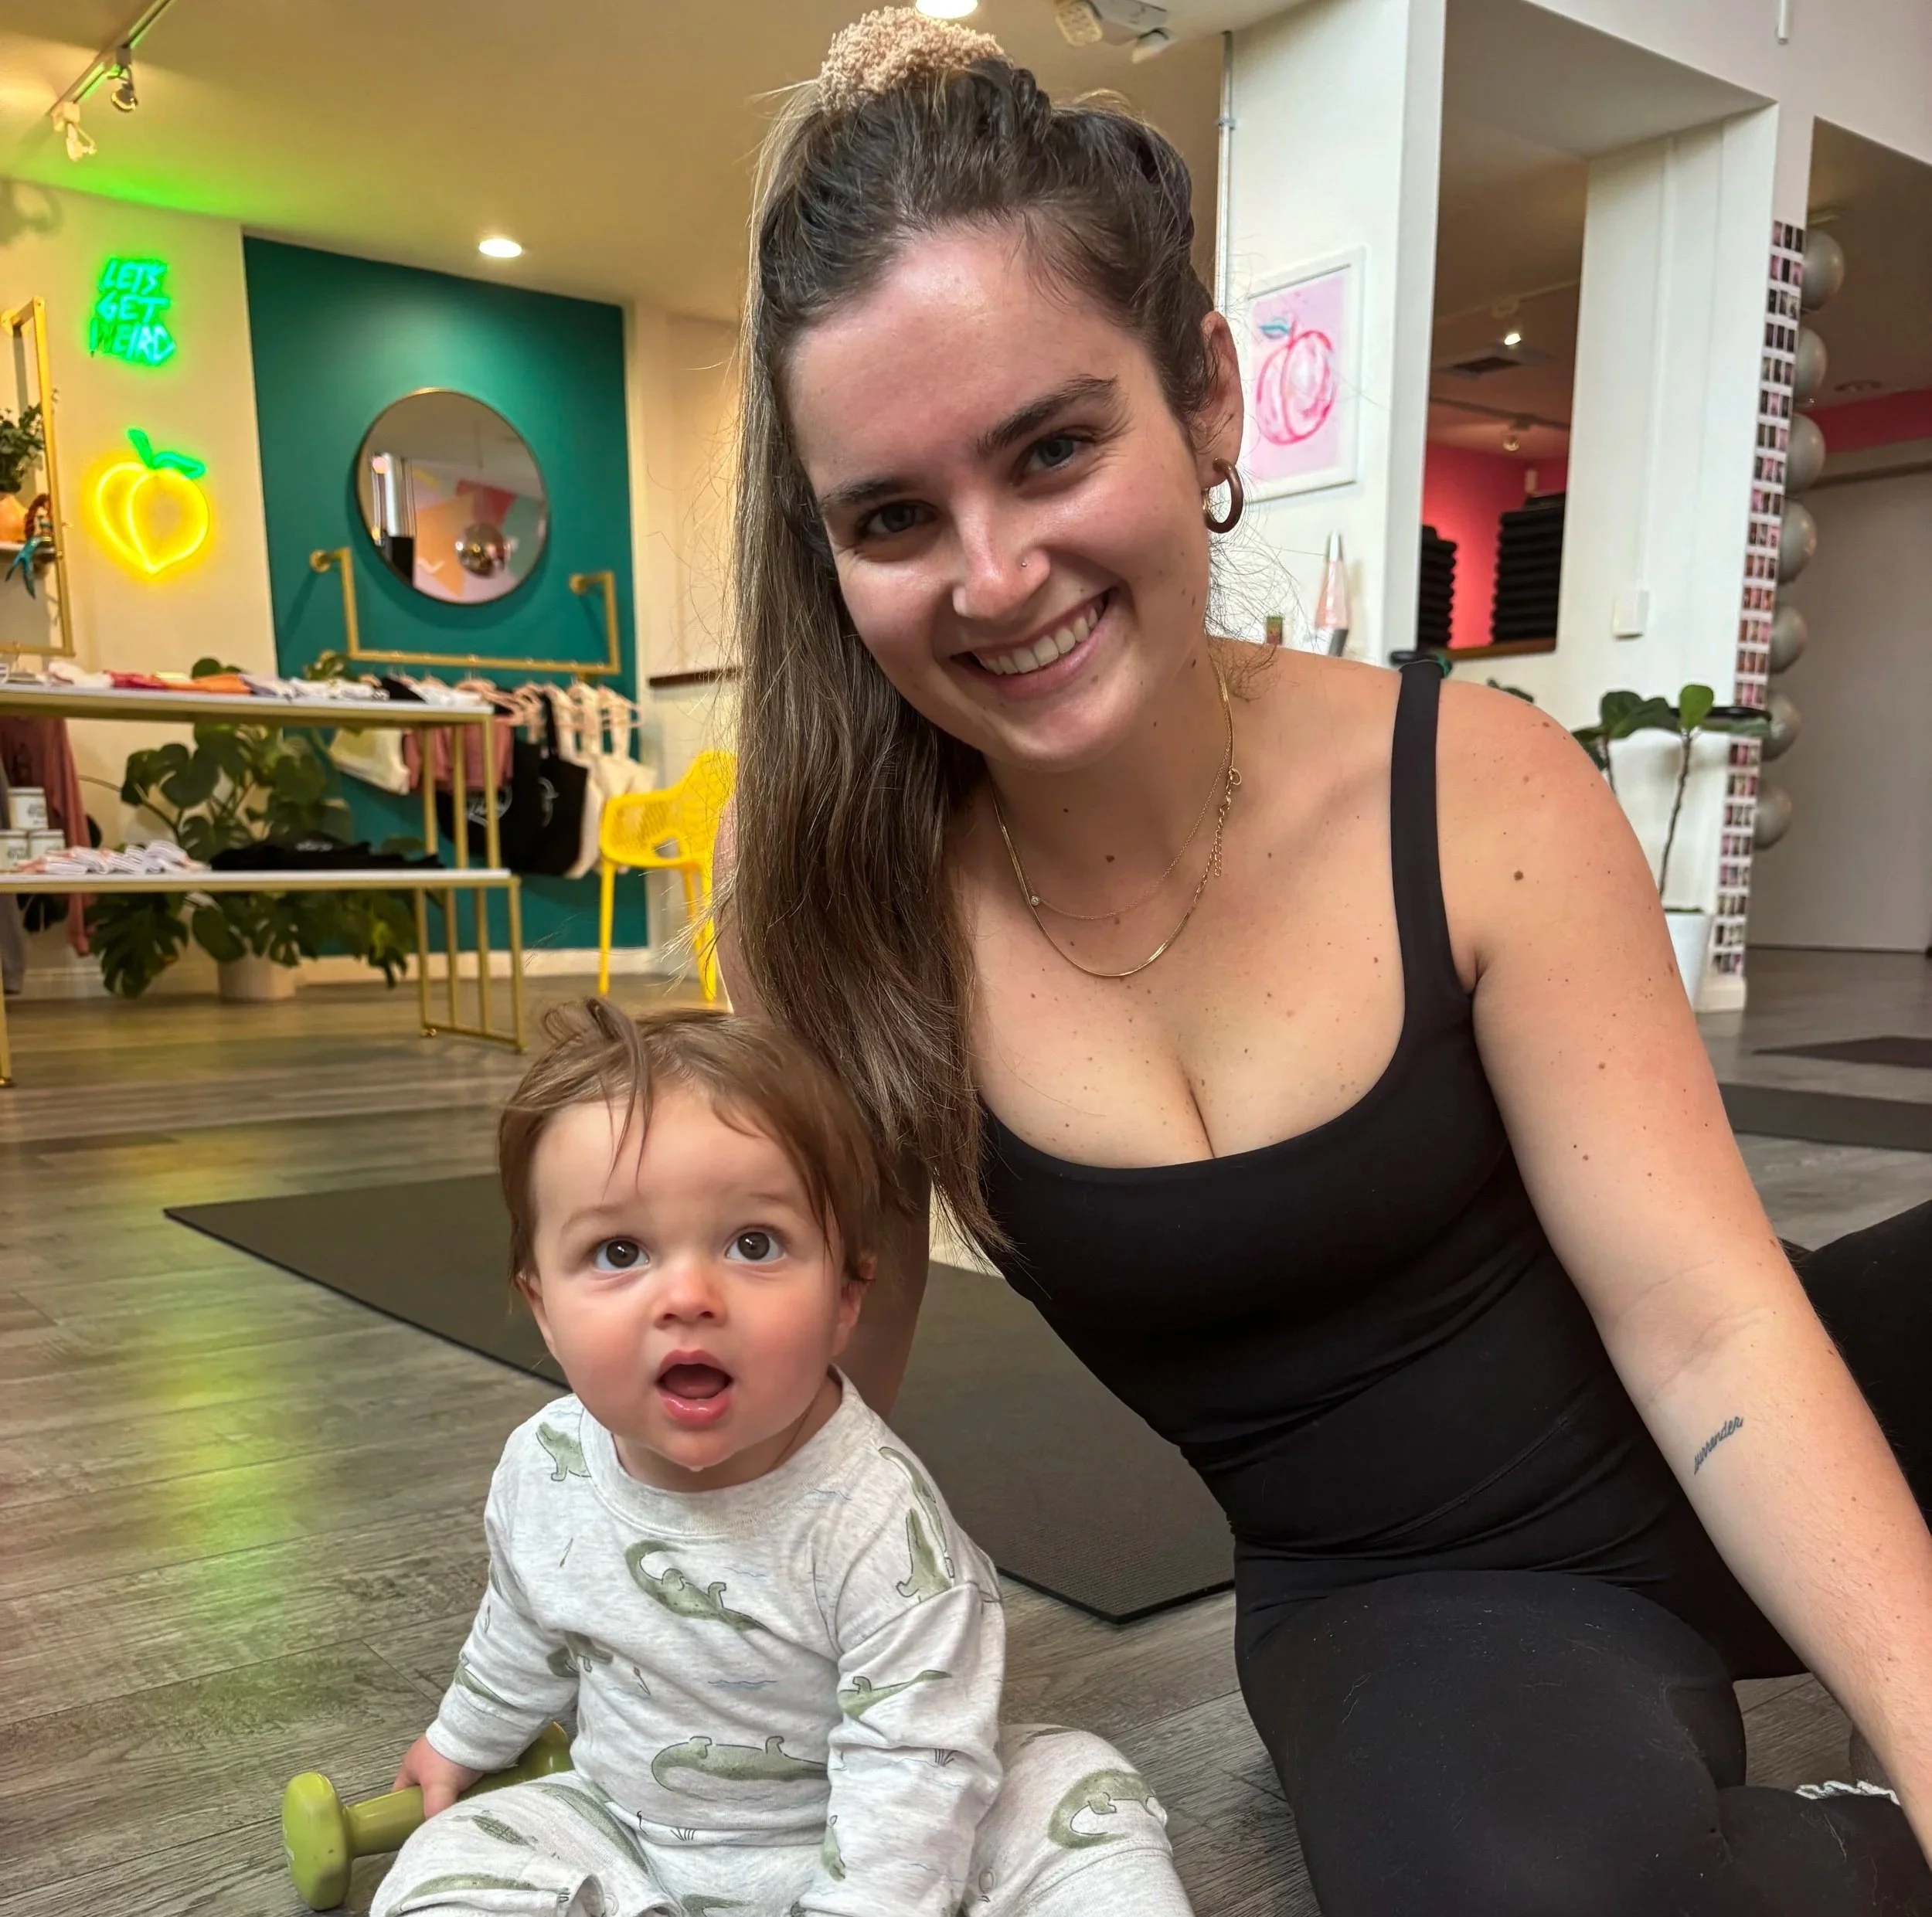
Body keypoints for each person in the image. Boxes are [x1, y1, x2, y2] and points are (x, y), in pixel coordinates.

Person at [717, 11, 1932, 1913]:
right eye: (892, 516)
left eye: (1051, 448)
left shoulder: (1480, 783)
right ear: (827, 549)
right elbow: (816, 1416)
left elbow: (1707, 1323)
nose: (990, 574)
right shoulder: (853, 931)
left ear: (1205, 394)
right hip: (1419, 1603)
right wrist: (685, 1694)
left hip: (1744, 1411)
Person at [376, 1000, 1193, 1917]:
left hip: (875, 1842)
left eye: (753, 1244)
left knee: (1078, 1792)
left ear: (847, 1297)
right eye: (618, 1251)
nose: (687, 1295)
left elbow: (915, 1764)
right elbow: (523, 1621)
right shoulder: (545, 1464)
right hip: (632, 1829)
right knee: (443, 1862)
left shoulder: (881, 1524)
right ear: (541, 1307)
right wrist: (462, 1740)